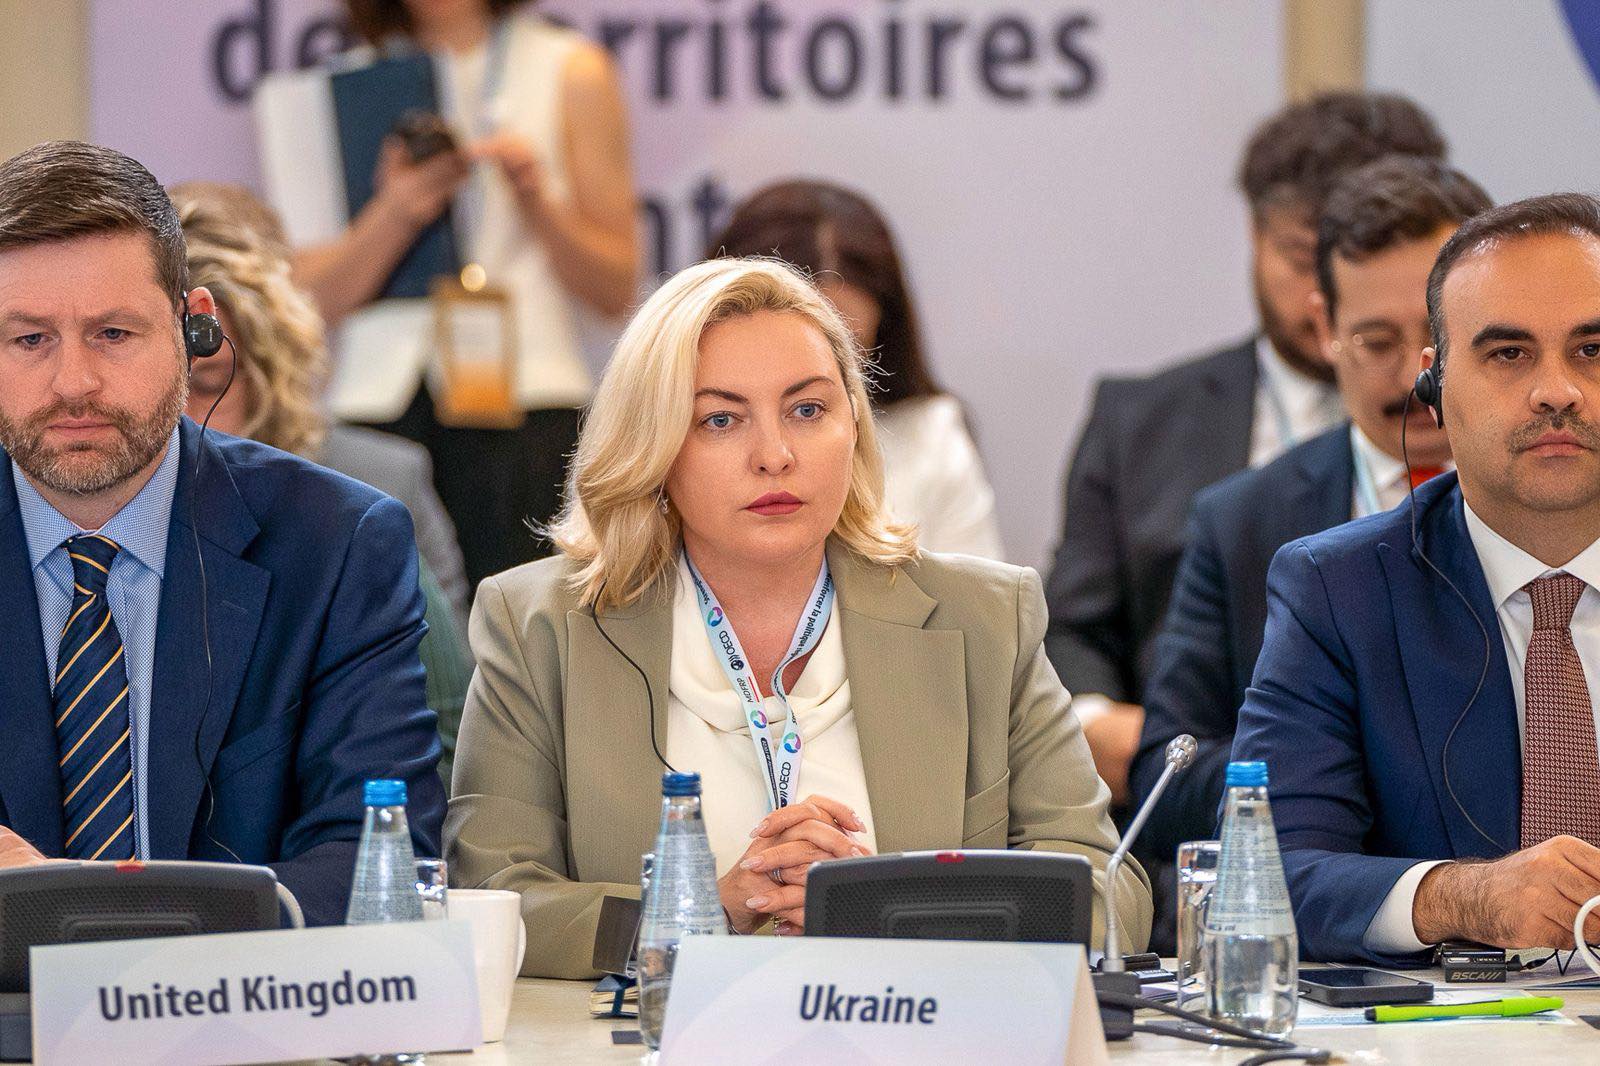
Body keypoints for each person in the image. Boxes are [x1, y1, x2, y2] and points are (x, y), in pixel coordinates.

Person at [445, 258, 1151, 978]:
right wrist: (700, 913)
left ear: (854, 425)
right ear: (652, 443)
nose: (775, 456)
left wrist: (893, 914)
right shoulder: (539, 626)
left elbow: (1110, 891)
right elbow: (493, 895)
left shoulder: (986, 620)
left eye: (807, 410)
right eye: (720, 420)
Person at [0, 141, 443, 924]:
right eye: (30, 339)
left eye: (113, 334)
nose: (75, 384)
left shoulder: (338, 545)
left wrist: (115, 917)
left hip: (235, 996)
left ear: (192, 327)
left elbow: (378, 859)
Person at [1043, 92, 1448, 807]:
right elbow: (1074, 626)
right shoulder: (1148, 426)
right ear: (1256, 237)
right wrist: (1105, 726)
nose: (1329, 285)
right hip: (1209, 791)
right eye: (1304, 256)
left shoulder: (1506, 441)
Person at [1232, 193, 1600, 963]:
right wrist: (1463, 898)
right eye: (1509, 354)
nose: (1557, 391)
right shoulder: (1337, 591)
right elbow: (1269, 874)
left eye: (1592, 350)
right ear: (1433, 386)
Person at [1133, 157, 1492, 866]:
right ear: (1325, 325)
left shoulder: (1567, 492)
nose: (1414, 378)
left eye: (1437, 339)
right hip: (1327, 917)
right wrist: (1326, 754)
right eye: (1376, 342)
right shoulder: (1241, 522)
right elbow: (1166, 779)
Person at [261, 0, 641, 590]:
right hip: (377, 406)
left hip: (527, 406)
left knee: (524, 625)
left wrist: (535, 199)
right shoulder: (342, 85)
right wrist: (397, 212)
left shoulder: (569, 68)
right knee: (375, 626)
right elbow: (304, 303)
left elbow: (616, 286)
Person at [170, 182, 474, 787]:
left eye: (203, 384)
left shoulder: (377, 497)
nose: (171, 422)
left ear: (273, 375)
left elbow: (450, 741)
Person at [706, 180, 1005, 558]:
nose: (776, 456)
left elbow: (972, 591)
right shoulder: (669, 430)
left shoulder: (932, 436)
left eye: (848, 352)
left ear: (883, 330)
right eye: (721, 419)